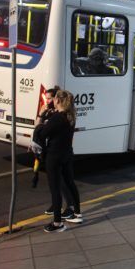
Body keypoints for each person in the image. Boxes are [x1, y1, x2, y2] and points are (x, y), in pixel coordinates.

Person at [38, 89, 82, 232]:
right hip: (67, 154)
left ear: (57, 100)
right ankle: (77, 213)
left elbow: (42, 133)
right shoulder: (70, 116)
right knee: (70, 183)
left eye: (54, 99)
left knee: (55, 189)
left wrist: (40, 119)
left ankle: (57, 223)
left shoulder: (57, 118)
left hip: (54, 156)